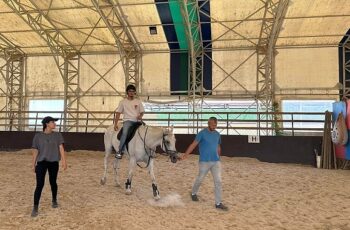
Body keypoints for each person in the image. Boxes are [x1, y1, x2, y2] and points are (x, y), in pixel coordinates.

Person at [181, 117, 228, 211]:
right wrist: (186, 155)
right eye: (213, 124)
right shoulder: (202, 133)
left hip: (215, 162)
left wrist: (219, 157)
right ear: (208, 123)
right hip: (204, 161)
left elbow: (218, 146)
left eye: (216, 125)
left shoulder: (217, 134)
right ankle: (193, 193)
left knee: (218, 181)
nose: (215, 126)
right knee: (200, 179)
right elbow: (193, 144)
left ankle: (218, 203)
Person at [31, 116, 67, 217]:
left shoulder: (58, 135)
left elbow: (61, 148)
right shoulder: (38, 136)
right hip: (41, 162)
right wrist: (33, 164)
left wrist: (64, 161)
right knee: (39, 184)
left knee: (53, 182)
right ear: (47, 124)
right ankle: (35, 207)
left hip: (54, 162)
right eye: (53, 122)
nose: (55, 124)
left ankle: (54, 200)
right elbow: (35, 151)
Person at [114, 84, 145, 159]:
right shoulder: (123, 102)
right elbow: (118, 113)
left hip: (137, 121)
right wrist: (115, 124)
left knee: (146, 132)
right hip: (128, 121)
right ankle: (120, 151)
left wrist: (140, 116)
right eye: (130, 91)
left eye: (133, 91)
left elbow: (142, 112)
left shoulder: (138, 102)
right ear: (127, 92)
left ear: (135, 93)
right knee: (124, 133)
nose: (131, 92)